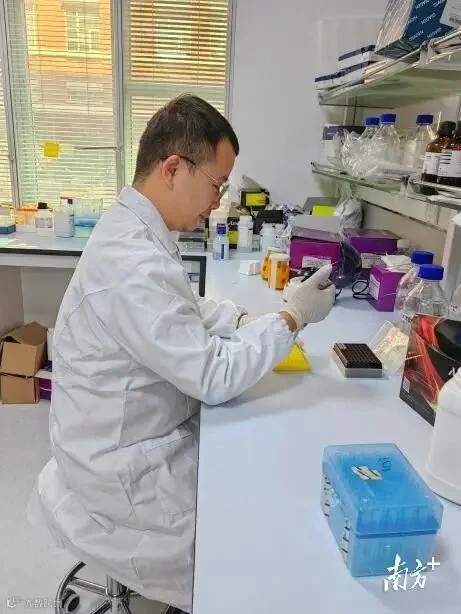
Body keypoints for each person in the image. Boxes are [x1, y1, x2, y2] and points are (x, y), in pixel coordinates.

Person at [30, 95, 335, 613]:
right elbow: (214, 376)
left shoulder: (136, 229)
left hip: (116, 433)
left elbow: (180, 308)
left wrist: (242, 320)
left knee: (252, 457)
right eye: (217, 184)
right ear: (173, 168)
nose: (218, 201)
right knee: (253, 520)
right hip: (121, 466)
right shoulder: (133, 262)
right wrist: (291, 317)